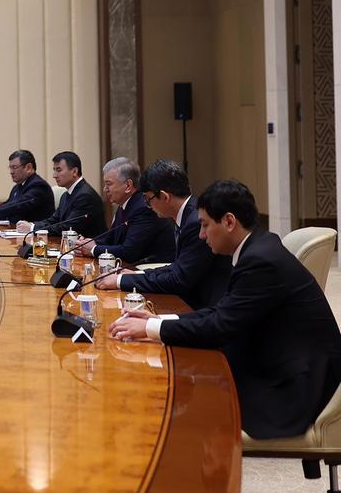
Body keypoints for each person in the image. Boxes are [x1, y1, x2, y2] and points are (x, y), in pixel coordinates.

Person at [110, 180, 341, 439]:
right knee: (182, 385)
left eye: (205, 225)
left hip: (296, 388)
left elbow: (220, 326)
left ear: (229, 222)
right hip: (280, 365)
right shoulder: (258, 246)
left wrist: (152, 328)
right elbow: (223, 311)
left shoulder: (260, 260)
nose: (201, 235)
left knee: (179, 406)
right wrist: (158, 320)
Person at [95, 159, 231, 310]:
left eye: (148, 199)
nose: (147, 205)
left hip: (203, 309)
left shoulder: (194, 222)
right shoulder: (188, 213)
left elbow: (178, 279)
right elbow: (176, 267)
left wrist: (121, 281)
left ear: (165, 197)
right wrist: (136, 275)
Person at [76, 157, 174, 265]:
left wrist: (93, 249)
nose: (105, 189)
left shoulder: (144, 207)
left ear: (128, 185)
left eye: (109, 184)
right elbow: (111, 238)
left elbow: (129, 252)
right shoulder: (126, 203)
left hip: (152, 269)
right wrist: (87, 243)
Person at [16, 151, 106, 239]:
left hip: (88, 250)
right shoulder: (66, 195)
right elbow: (53, 221)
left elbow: (68, 228)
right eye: (54, 170)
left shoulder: (85, 196)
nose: (54, 175)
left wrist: (32, 228)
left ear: (74, 171)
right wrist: (32, 225)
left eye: (58, 170)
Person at [0, 149, 54, 223]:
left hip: (36, 237)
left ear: (28, 167)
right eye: (10, 168)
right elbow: (8, 204)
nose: (11, 172)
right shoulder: (18, 186)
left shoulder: (38, 186)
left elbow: (18, 205)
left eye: (14, 167)